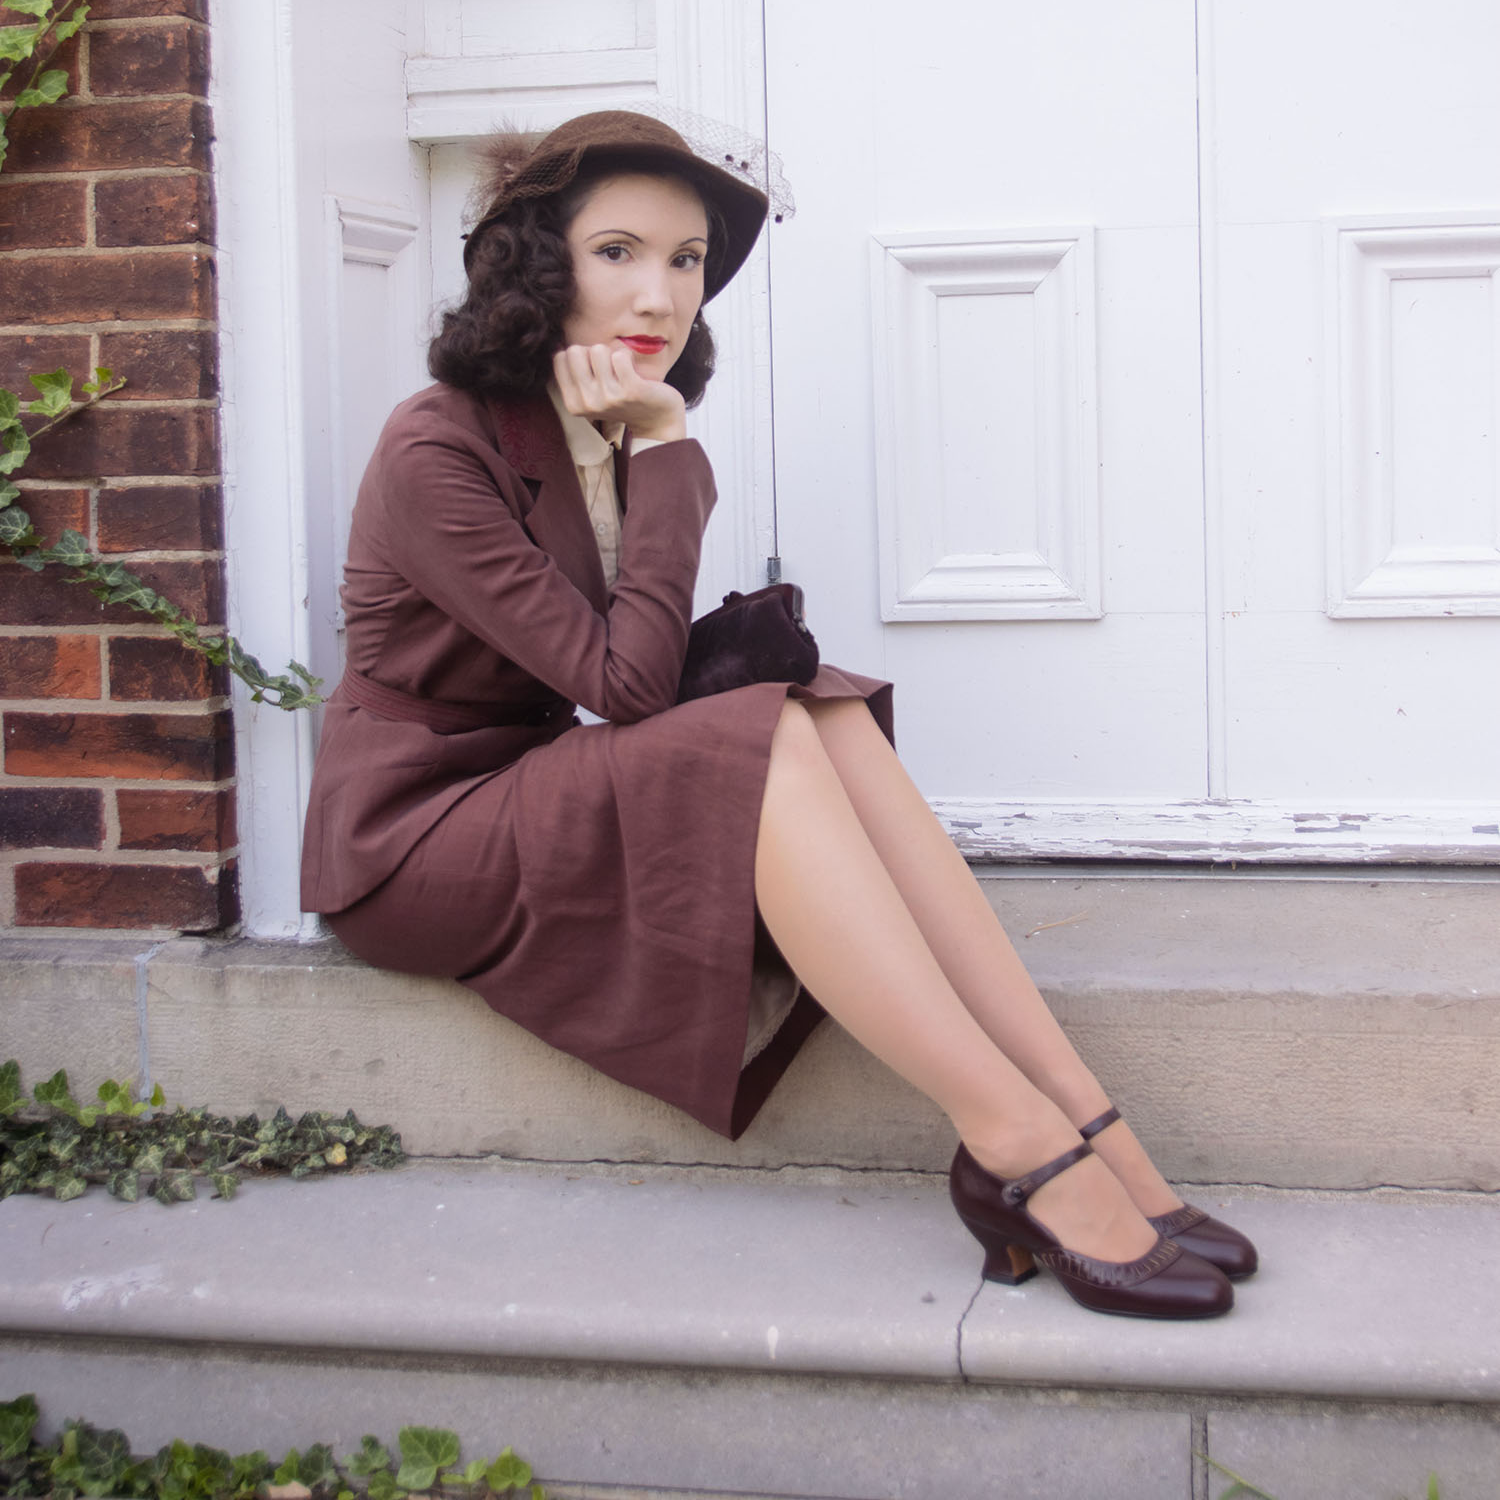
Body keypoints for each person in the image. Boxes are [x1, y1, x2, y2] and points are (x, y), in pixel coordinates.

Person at [300, 110, 1255, 1320]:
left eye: (686, 259)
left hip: (529, 785)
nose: (659, 293)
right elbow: (625, 686)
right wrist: (668, 443)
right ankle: (1015, 1142)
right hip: (416, 836)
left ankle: (1086, 1118)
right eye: (616, 252)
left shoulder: (597, 415)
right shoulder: (436, 445)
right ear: (541, 263)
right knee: (765, 735)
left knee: (824, 706)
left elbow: (633, 673)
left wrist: (646, 443)